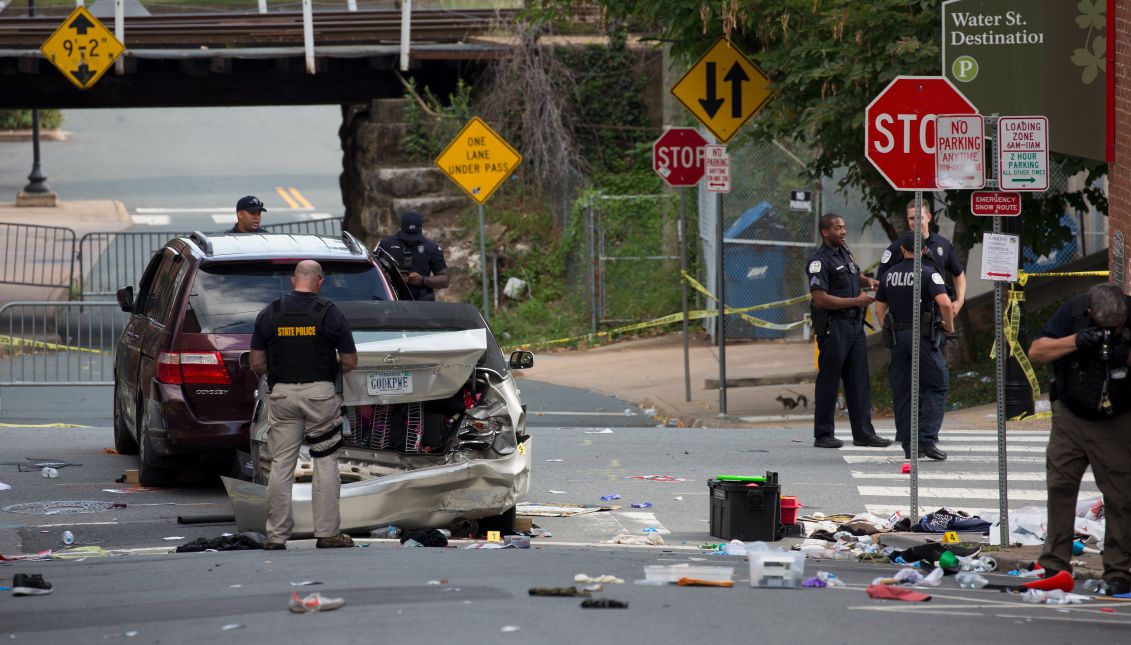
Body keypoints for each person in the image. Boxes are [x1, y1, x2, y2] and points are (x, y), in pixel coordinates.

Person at [1027, 283, 1131, 596]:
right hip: (1070, 415)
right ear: (1090, 313)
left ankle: (1119, 569)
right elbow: (1037, 350)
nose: (1112, 331)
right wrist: (1076, 341)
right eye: (1105, 327)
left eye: (1118, 326)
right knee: (1059, 485)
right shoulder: (1072, 312)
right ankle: (1055, 565)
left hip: (1117, 417)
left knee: (1121, 495)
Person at [249, 260, 358, 550]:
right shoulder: (330, 312)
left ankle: (276, 536)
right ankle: (327, 533)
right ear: (320, 282)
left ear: (292, 280)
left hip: (282, 395)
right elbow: (350, 362)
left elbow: (256, 362)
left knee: (281, 464)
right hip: (320, 396)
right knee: (325, 462)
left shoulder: (270, 313)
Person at [807, 213, 892, 449]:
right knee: (829, 381)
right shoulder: (819, 261)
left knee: (859, 381)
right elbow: (821, 298)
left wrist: (868, 282)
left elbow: (853, 275)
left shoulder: (845, 252)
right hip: (834, 327)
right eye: (837, 228)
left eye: (844, 227)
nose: (843, 231)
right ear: (825, 232)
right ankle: (824, 434)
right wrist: (856, 301)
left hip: (854, 327)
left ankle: (863, 433)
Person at [874, 232, 955, 461]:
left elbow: (879, 308)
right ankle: (927, 440)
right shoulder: (929, 274)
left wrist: (888, 330)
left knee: (904, 391)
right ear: (923, 250)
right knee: (937, 385)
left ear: (902, 250)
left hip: (898, 339)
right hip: (922, 337)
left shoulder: (889, 275)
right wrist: (948, 327)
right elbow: (945, 304)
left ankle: (910, 445)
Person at [877, 200, 966, 315]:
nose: (915, 222)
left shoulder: (943, 244)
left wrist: (959, 301)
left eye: (920, 217)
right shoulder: (896, 248)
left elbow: (959, 273)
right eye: (911, 218)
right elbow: (880, 283)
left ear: (929, 217)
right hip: (905, 317)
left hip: (936, 316)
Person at [376, 211, 449, 301]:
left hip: (421, 301)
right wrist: (391, 278)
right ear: (401, 228)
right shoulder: (385, 244)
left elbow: (445, 281)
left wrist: (422, 280)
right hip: (392, 299)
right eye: (407, 237)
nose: (410, 241)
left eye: (413, 237)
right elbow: (373, 272)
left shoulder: (432, 248)